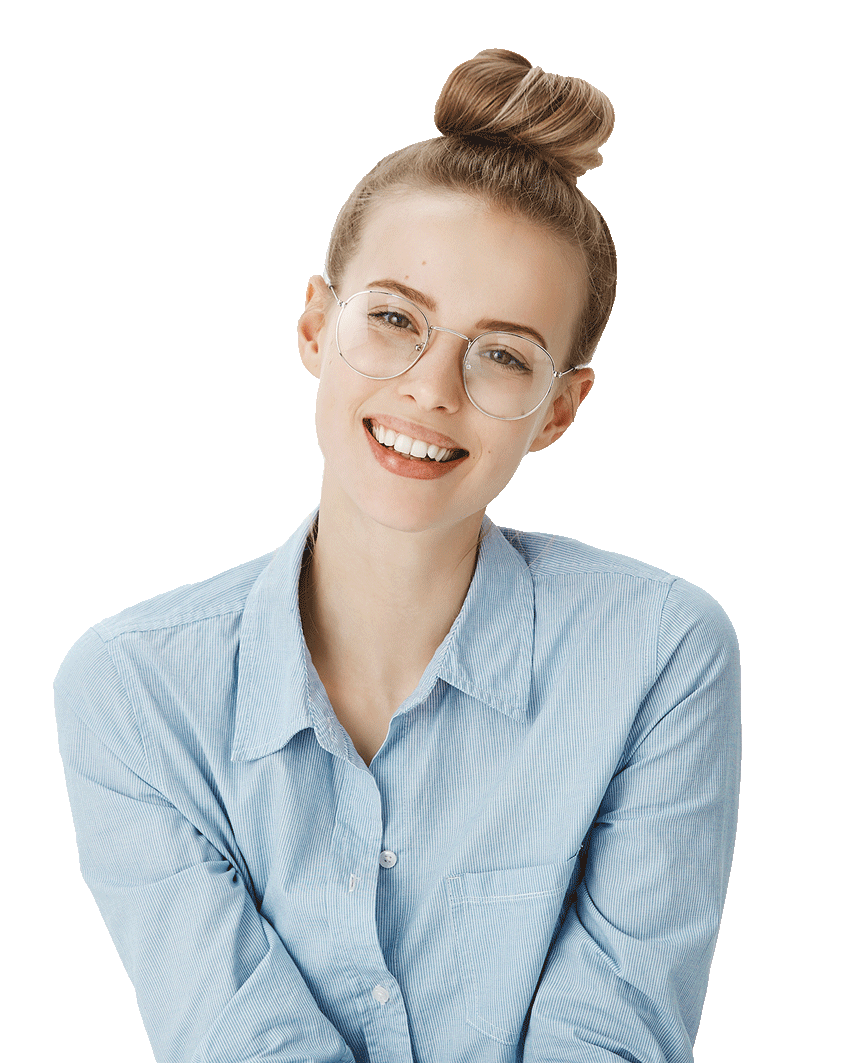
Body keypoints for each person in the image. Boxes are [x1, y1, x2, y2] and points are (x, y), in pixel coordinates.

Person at [54, 49, 740, 1063]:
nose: (432, 389)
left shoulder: (659, 651)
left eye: (501, 353)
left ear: (559, 408)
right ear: (314, 325)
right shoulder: (134, 688)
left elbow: (613, 1037)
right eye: (393, 319)